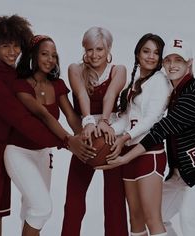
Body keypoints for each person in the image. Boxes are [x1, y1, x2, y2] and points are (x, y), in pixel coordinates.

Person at [0, 15, 93, 236]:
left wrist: (88, 130)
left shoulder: (10, 74)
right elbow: (24, 120)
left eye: (16, 46)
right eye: (5, 46)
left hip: (2, 151)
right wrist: (67, 142)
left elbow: (68, 116)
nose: (12, 52)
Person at [97, 38, 195, 236]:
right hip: (181, 171)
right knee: (160, 216)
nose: (172, 65)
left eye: (179, 60)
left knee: (189, 217)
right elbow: (131, 118)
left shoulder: (193, 94)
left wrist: (125, 155)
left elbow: (160, 128)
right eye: (169, 60)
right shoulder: (174, 89)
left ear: (189, 63)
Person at [4, 34, 91, 236]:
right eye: (44, 54)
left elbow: (70, 115)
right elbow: (42, 115)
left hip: (43, 154)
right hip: (18, 152)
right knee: (42, 208)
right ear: (33, 55)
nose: (50, 59)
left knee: (33, 211)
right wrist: (70, 142)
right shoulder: (20, 85)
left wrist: (86, 138)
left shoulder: (57, 84)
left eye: (54, 55)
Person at [99, 33, 171, 236]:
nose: (151, 56)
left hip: (149, 153)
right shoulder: (137, 81)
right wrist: (112, 130)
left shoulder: (160, 81)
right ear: (137, 53)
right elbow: (127, 117)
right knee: (136, 219)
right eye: (146, 51)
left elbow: (150, 119)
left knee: (152, 218)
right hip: (130, 155)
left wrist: (124, 137)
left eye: (156, 53)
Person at [61, 26, 129, 236]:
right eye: (89, 49)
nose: (94, 54)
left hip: (110, 138)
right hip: (87, 138)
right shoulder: (75, 69)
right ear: (84, 48)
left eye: (99, 49)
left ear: (108, 48)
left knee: (115, 200)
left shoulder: (119, 70)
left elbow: (110, 96)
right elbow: (81, 94)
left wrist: (105, 121)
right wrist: (89, 122)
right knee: (74, 199)